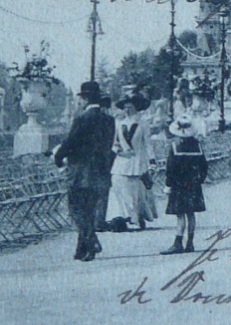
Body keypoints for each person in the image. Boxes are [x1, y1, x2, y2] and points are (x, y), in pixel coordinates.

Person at [53, 82, 115, 261]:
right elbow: (108, 145)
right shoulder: (109, 120)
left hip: (81, 170)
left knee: (75, 208)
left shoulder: (82, 118)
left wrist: (58, 156)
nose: (79, 101)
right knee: (89, 208)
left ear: (86, 99)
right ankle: (82, 249)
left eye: (80, 98)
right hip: (101, 170)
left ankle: (91, 240)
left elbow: (71, 141)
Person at [107, 95, 157, 231]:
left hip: (137, 162)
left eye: (130, 107)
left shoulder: (143, 124)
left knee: (135, 191)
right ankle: (122, 216)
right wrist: (119, 152)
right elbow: (114, 144)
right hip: (122, 161)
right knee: (118, 183)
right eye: (125, 108)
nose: (127, 110)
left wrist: (152, 161)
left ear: (136, 108)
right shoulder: (119, 124)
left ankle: (137, 216)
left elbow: (148, 144)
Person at [161, 116, 208, 255]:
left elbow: (170, 168)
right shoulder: (197, 146)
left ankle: (178, 242)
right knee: (191, 213)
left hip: (179, 184)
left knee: (180, 214)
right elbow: (204, 166)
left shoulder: (175, 146)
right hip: (193, 184)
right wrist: (199, 179)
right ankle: (190, 242)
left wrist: (168, 185)